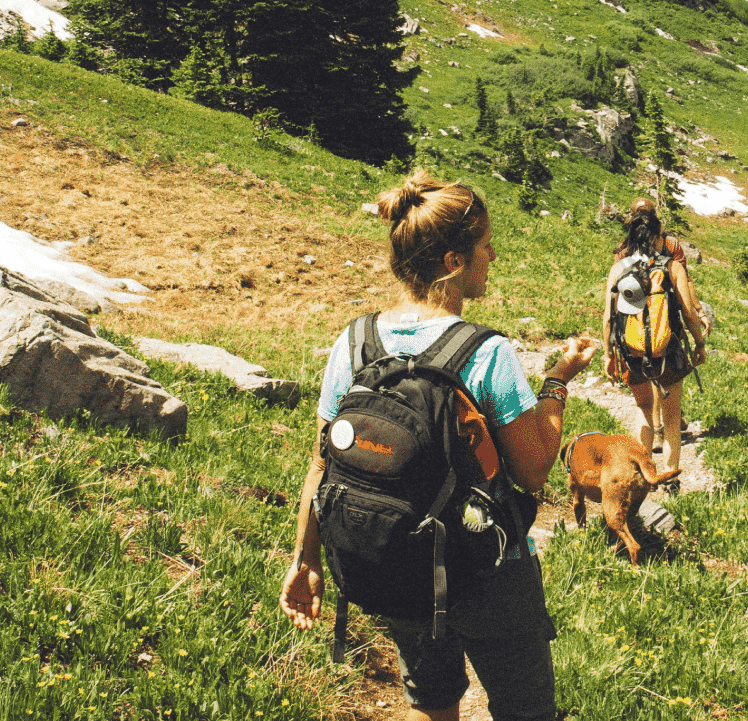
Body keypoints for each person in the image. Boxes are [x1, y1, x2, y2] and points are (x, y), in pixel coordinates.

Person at [280, 171, 597, 721]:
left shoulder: (354, 343)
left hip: (398, 560)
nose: (492, 254)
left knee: (432, 700)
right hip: (489, 567)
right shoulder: (485, 352)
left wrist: (305, 560)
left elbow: (321, 463)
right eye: (484, 245)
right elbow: (533, 471)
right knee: (526, 708)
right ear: (453, 262)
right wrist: (557, 380)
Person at [602, 197, 708, 475]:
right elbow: (687, 312)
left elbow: (608, 317)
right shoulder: (672, 265)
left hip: (631, 350)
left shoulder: (618, 266)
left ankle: (642, 474)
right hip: (668, 348)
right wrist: (699, 343)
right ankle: (671, 477)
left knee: (643, 409)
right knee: (673, 419)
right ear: (658, 230)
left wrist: (608, 354)